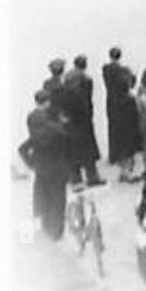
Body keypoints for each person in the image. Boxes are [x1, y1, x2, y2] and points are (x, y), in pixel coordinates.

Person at [23, 89, 72, 240]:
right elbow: (67, 148)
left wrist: (32, 163)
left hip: (41, 166)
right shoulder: (57, 129)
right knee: (58, 199)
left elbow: (27, 145)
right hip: (57, 167)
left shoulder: (32, 118)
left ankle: (45, 227)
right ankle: (56, 230)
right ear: (48, 102)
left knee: (43, 197)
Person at [61, 55, 104, 186]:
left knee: (73, 149)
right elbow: (87, 101)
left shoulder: (67, 79)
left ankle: (76, 178)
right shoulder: (86, 80)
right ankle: (92, 177)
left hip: (70, 119)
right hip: (83, 119)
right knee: (88, 149)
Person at [102, 47, 142, 182]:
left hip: (111, 103)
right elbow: (130, 83)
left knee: (113, 130)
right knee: (128, 136)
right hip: (124, 106)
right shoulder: (123, 71)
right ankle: (127, 168)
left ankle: (114, 155)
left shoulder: (106, 70)